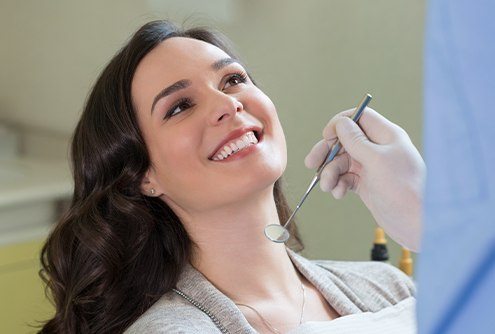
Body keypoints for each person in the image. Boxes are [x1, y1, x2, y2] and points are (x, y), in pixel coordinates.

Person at [38, 20, 425, 334]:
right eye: (180, 107)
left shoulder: (388, 286)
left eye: (233, 80)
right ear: (143, 177)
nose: (228, 104)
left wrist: (426, 221)